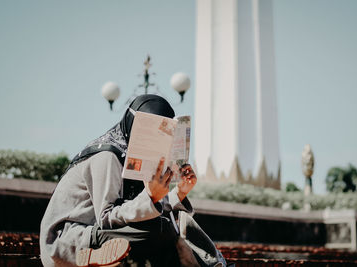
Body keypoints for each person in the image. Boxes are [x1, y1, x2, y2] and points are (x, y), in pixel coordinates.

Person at [40, 94, 226, 267]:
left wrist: (179, 192)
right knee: (159, 231)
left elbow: (139, 210)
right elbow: (107, 218)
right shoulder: (107, 156)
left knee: (163, 228)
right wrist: (150, 197)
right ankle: (90, 255)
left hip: (102, 233)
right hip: (68, 240)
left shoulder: (129, 155)